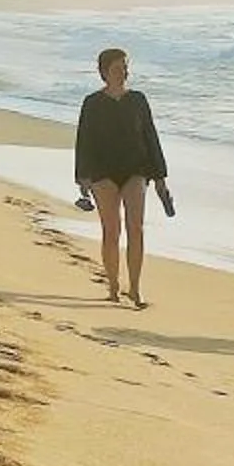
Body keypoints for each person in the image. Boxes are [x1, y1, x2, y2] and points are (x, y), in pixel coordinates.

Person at [73, 47, 173, 308]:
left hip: (135, 170)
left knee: (136, 229)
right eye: (118, 68)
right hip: (102, 173)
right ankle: (113, 285)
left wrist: (160, 177)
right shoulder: (92, 103)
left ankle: (136, 289)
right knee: (111, 230)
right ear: (105, 72)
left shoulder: (138, 100)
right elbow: (84, 140)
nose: (124, 72)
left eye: (126, 67)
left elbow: (151, 137)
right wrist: (82, 177)